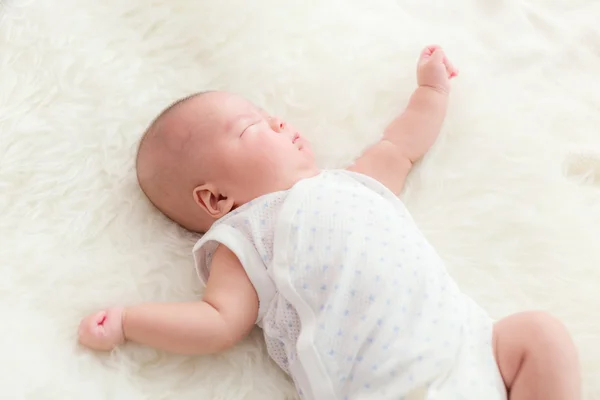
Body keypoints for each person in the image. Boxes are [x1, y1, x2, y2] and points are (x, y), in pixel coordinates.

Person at [78, 45, 580, 399]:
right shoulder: (245, 237)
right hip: (378, 385)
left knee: (541, 335)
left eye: (270, 115)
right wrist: (129, 321)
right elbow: (216, 322)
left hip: (470, 354)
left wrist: (431, 91)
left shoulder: (351, 182)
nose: (279, 122)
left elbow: (401, 146)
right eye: (253, 126)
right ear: (216, 198)